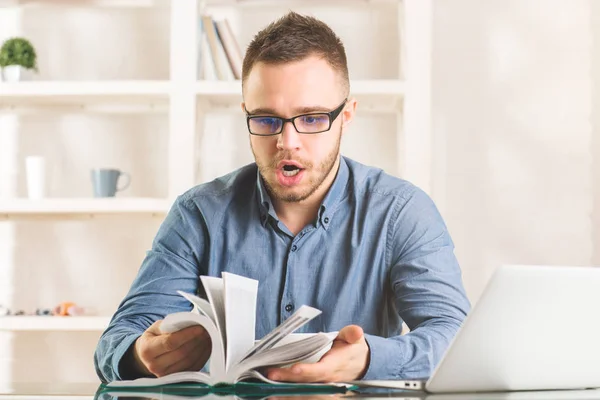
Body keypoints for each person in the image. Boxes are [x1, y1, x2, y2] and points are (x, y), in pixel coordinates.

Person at [94, 11, 471, 384]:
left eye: (311, 119)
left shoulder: (401, 212)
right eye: (266, 120)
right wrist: (141, 356)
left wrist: (369, 358)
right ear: (246, 115)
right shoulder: (198, 214)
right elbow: (119, 338)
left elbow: (456, 337)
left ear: (347, 116)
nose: (286, 143)